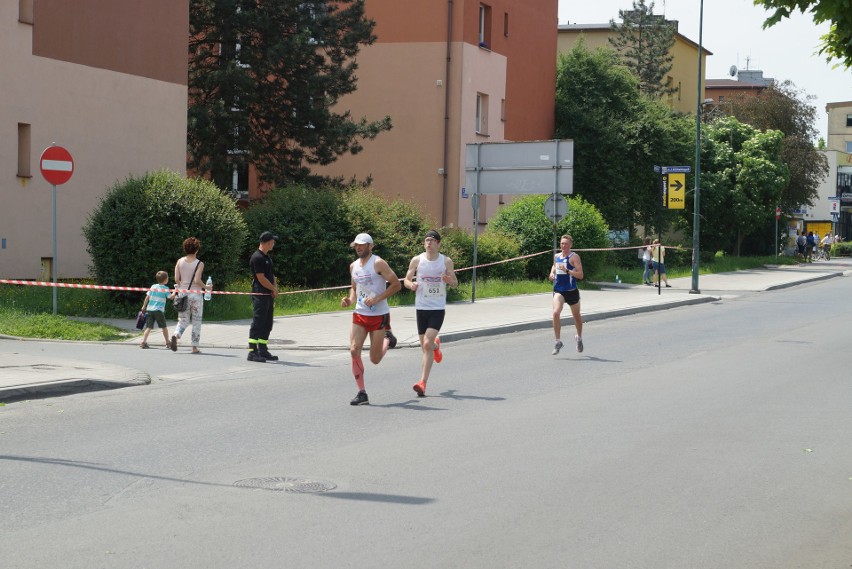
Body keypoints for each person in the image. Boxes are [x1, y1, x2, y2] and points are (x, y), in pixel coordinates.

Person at [341, 233, 401, 405]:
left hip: (378, 315)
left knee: (375, 359)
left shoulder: (378, 263)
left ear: (370, 246)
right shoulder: (353, 266)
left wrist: (377, 299)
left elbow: (396, 284)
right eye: (356, 245)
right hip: (360, 314)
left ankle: (388, 340)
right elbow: (354, 288)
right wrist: (349, 300)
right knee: (354, 350)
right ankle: (362, 393)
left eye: (361, 245)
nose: (358, 247)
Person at [403, 229, 458, 397]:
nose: (429, 243)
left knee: (426, 343)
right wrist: (410, 285)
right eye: (427, 240)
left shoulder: (446, 261)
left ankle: (422, 383)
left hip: (437, 308)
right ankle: (436, 347)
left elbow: (455, 283)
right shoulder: (417, 260)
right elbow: (406, 279)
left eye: (432, 240)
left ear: (438, 244)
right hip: (421, 307)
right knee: (425, 347)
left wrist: (449, 281)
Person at [247, 231, 280, 362]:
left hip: (268, 294)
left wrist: (274, 288)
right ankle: (252, 352)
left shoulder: (267, 257)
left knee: (267, 323)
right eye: (273, 241)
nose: (274, 243)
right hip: (260, 294)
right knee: (258, 322)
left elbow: (271, 276)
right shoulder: (257, 258)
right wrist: (273, 288)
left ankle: (263, 349)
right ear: (267, 242)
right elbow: (261, 278)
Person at [171, 236, 206, 354]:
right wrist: (206, 287)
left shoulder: (179, 261)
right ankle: (194, 347)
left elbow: (176, 279)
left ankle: (176, 334)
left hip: (182, 294)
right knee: (196, 320)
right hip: (196, 295)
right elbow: (197, 280)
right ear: (197, 249)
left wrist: (182, 286)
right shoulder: (199, 263)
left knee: (183, 320)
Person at [549, 234, 584, 355]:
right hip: (559, 290)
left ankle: (579, 338)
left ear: (570, 245)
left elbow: (580, 275)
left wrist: (568, 271)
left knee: (577, 317)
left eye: (566, 243)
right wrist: (552, 274)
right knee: (555, 312)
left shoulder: (574, 257)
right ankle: (558, 341)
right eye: (562, 243)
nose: (564, 246)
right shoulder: (556, 256)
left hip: (571, 291)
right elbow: (554, 266)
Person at [139, 270, 174, 349]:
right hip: (159, 310)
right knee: (164, 327)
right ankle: (168, 343)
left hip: (150, 309)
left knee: (149, 327)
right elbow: (171, 297)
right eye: (167, 278)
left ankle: (143, 342)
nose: (168, 279)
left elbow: (147, 297)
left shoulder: (153, 286)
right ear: (165, 280)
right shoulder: (165, 288)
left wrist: (144, 306)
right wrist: (175, 291)